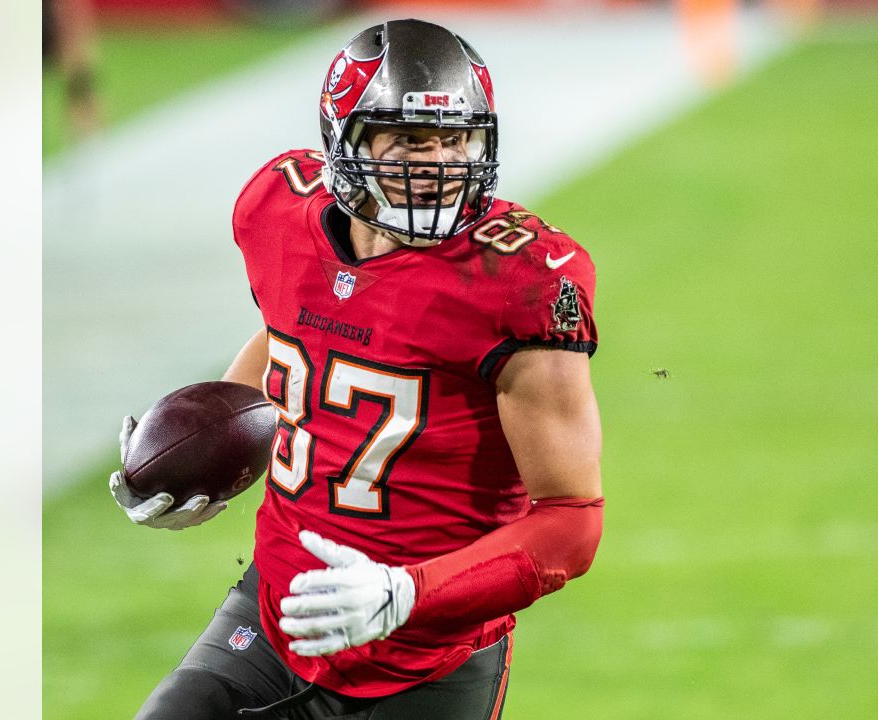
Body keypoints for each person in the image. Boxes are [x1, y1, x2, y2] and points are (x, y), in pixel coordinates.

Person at [108, 19, 604, 719]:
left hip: (432, 657)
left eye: (456, 140)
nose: (438, 164)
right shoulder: (278, 212)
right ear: (345, 142)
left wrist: (409, 593)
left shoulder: (519, 281)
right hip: (276, 617)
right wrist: (208, 456)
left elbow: (571, 523)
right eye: (409, 141)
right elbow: (292, 336)